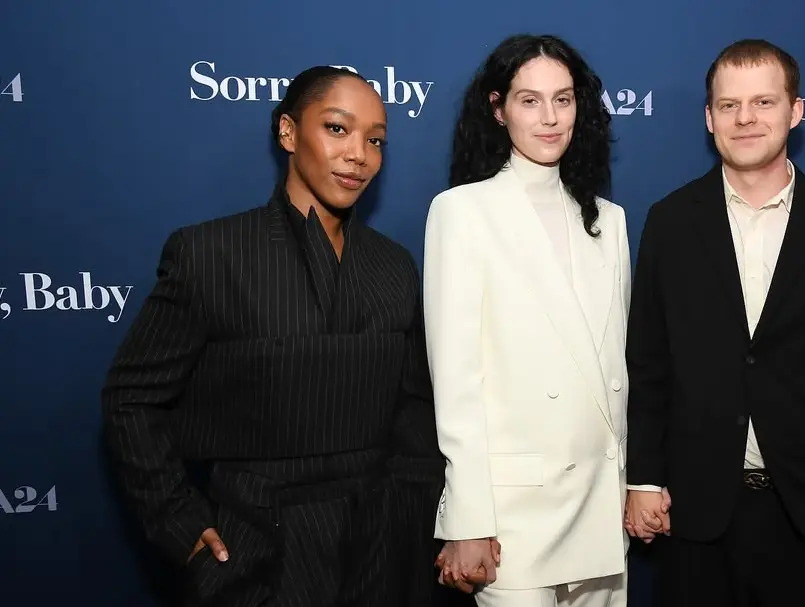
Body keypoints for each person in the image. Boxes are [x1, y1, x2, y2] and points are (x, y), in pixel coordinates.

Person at [100, 65, 444, 607]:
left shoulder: (394, 266)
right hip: (254, 549)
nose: (359, 154)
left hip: (380, 549)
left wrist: (431, 528)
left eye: (375, 140)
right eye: (337, 128)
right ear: (287, 131)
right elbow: (131, 400)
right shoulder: (210, 254)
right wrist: (177, 520)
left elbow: (414, 411)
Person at [623, 39, 805, 607]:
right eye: (728, 106)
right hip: (698, 524)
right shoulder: (670, 223)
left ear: (796, 111)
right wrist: (644, 479)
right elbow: (648, 363)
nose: (746, 118)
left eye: (764, 102)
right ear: (709, 119)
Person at [423, 33, 631, 607]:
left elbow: (615, 369)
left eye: (563, 100)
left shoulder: (610, 222)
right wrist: (466, 518)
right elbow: (457, 379)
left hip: (600, 511)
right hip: (513, 518)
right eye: (529, 100)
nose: (549, 118)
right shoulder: (463, 212)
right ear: (498, 109)